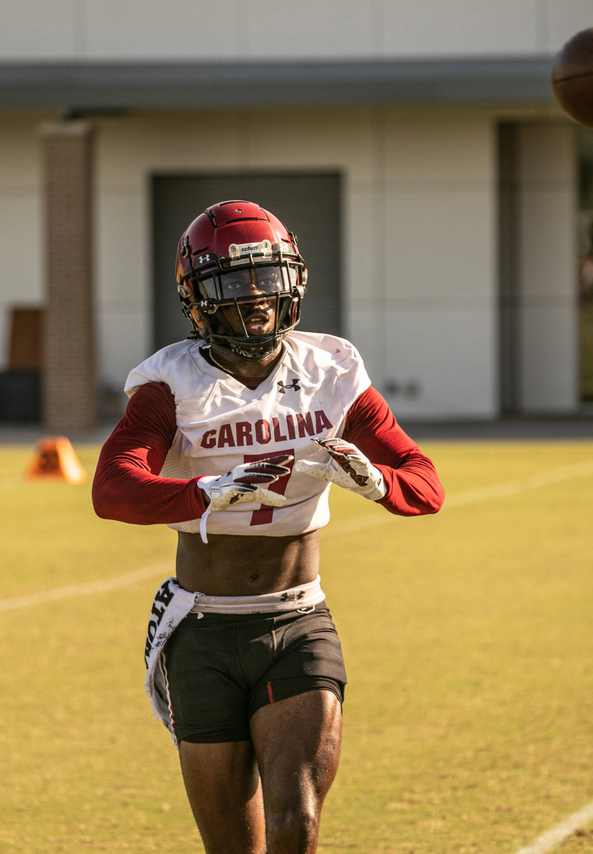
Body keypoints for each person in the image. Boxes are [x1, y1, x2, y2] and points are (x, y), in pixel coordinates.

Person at [92, 200, 444, 854]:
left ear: (294, 280)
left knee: (296, 820)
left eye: (267, 277)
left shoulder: (330, 370)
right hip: (203, 628)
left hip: (296, 620)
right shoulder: (171, 382)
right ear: (198, 298)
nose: (255, 298)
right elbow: (111, 490)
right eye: (232, 282)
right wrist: (204, 493)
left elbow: (424, 485)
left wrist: (376, 482)